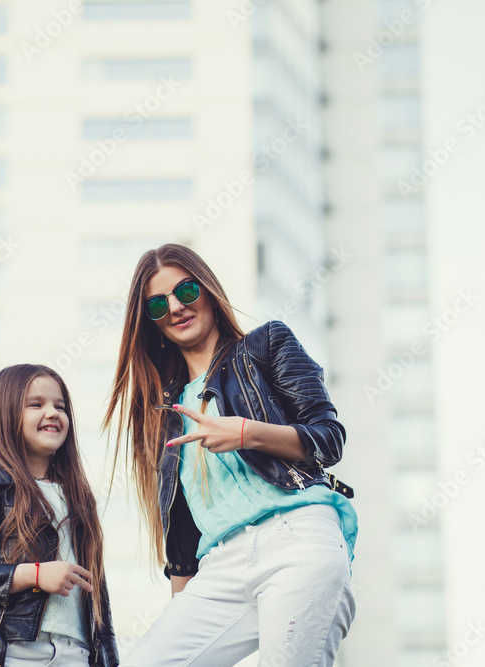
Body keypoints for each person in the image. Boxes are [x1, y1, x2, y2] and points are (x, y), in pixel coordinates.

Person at [102, 244, 357, 667]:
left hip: (295, 536)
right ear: (151, 325)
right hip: (220, 564)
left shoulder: (266, 345)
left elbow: (328, 439)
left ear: (207, 289)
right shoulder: (163, 413)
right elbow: (181, 535)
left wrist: (246, 433)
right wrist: (179, 614)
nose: (175, 308)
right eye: (157, 305)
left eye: (185, 291)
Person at [0, 364, 119, 667]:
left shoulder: (79, 499)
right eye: (36, 404)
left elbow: (97, 595)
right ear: (6, 414)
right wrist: (33, 575)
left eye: (59, 406)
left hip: (76, 653)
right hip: (12, 649)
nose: (52, 412)